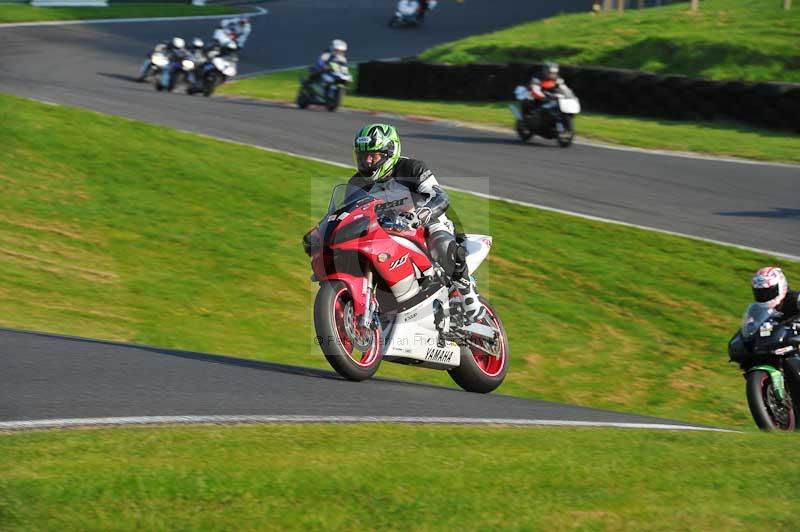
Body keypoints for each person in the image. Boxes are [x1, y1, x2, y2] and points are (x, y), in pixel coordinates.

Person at [346, 123, 485, 323]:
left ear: (389, 153)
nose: (367, 162)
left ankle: (467, 291)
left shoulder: (412, 168)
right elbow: (345, 213)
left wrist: (420, 215)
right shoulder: (356, 184)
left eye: (373, 156)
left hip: (425, 224)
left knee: (442, 244)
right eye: (362, 156)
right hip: (384, 233)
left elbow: (440, 196)